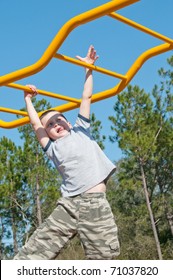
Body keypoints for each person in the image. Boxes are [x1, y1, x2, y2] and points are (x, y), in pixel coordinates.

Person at [14, 45, 120, 260]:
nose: (55, 124)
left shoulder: (81, 129)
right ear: (48, 133)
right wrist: (27, 99)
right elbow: (35, 124)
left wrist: (88, 69)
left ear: (68, 121)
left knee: (102, 257)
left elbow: (86, 97)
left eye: (58, 119)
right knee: (35, 251)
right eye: (50, 125)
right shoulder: (51, 147)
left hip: (94, 202)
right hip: (69, 204)